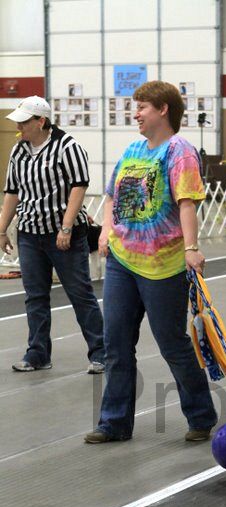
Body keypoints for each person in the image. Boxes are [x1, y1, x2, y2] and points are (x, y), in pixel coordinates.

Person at [84, 80, 218, 444]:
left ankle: (201, 415)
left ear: (163, 110)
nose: (135, 113)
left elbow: (187, 201)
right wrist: (106, 231)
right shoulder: (132, 150)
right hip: (122, 263)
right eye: (135, 106)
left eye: (141, 107)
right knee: (116, 344)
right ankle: (113, 423)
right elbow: (111, 195)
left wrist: (192, 248)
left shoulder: (180, 151)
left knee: (172, 343)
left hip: (163, 266)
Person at [0, 95, 105, 373]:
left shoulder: (67, 147)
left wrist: (66, 227)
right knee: (35, 296)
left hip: (63, 233)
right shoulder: (19, 151)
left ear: (40, 121)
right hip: (29, 233)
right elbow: (12, 192)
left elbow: (78, 187)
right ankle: (37, 354)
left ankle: (101, 353)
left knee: (80, 294)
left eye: (24, 122)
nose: (18, 128)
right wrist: (2, 230)